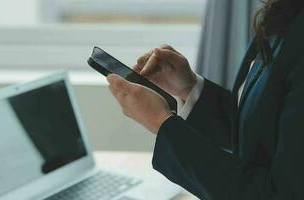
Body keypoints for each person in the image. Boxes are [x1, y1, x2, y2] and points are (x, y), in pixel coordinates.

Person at [106, 0, 304, 199]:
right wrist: (189, 88)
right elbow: (264, 132)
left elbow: (278, 194)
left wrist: (162, 123)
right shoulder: (285, 14)